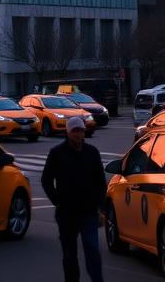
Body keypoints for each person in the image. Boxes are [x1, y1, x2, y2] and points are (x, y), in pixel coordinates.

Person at [41, 116, 106, 282]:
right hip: (66, 214)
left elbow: (100, 183)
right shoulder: (57, 153)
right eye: (75, 131)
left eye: (81, 131)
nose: (78, 134)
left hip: (88, 212)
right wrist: (57, 201)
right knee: (70, 254)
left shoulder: (92, 152)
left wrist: (100, 209)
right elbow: (46, 180)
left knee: (92, 249)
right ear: (67, 132)